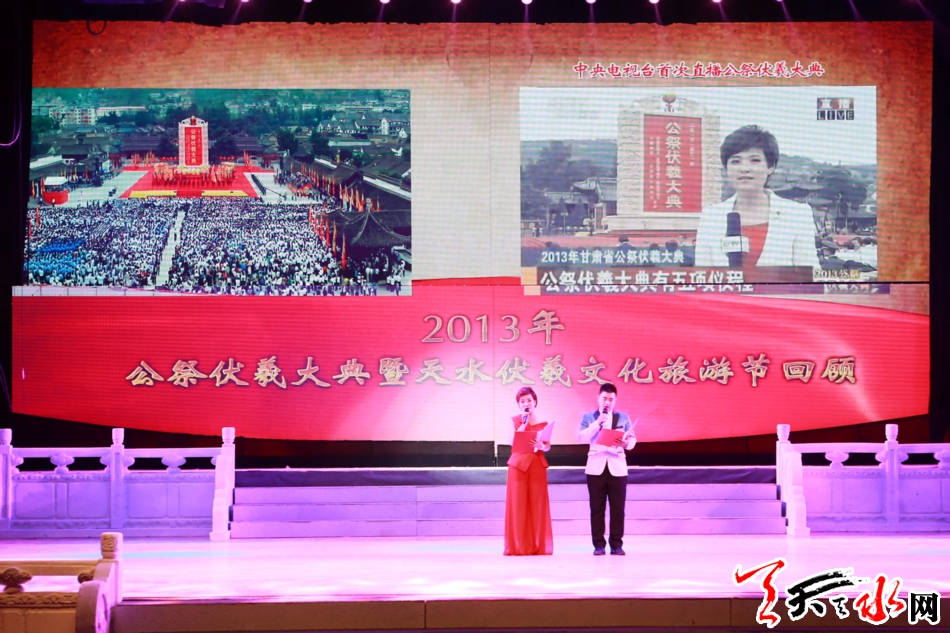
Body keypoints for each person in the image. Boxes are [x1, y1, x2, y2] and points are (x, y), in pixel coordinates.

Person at [694, 125, 820, 269]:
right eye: (736, 161)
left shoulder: (797, 214)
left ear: (770, 167)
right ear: (727, 168)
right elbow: (702, 275)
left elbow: (810, 273)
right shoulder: (711, 217)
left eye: (755, 160)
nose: (744, 169)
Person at [577, 382, 636, 556]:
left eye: (611, 399)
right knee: (597, 509)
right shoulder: (589, 417)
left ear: (615, 400)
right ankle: (599, 545)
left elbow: (632, 440)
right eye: (604, 398)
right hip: (596, 467)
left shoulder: (623, 417)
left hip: (617, 467)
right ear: (598, 398)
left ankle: (616, 544)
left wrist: (626, 443)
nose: (607, 402)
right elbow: (581, 438)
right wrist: (597, 423)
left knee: (618, 509)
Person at [503, 386, 553, 556]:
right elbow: (512, 442)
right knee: (518, 505)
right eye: (522, 401)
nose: (526, 403)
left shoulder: (543, 422)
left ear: (535, 402)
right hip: (518, 466)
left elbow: (547, 446)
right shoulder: (514, 420)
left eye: (529, 400)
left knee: (537, 506)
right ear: (518, 404)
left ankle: (537, 545)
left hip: (536, 465)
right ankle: (519, 546)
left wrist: (541, 446)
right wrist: (524, 424)